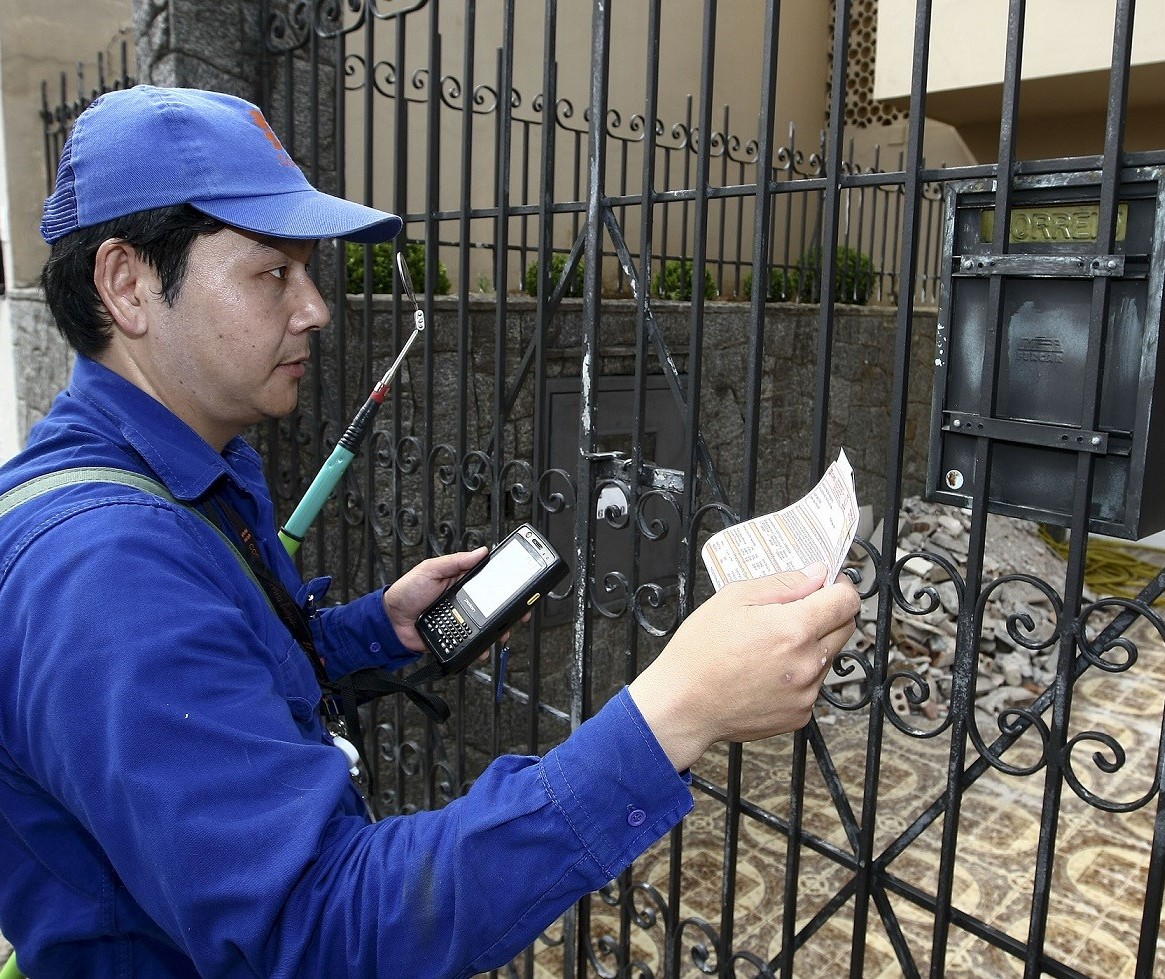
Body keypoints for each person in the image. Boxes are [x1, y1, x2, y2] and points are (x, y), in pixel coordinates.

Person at [0, 85, 860, 978]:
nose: (315, 308)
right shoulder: (104, 575)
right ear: (127, 284)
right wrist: (670, 716)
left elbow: (221, 674)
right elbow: (326, 930)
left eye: (307, 269)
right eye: (272, 273)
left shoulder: (186, 472)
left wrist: (378, 627)